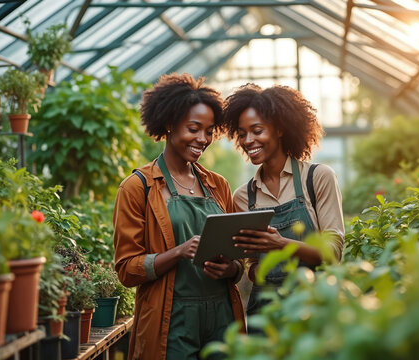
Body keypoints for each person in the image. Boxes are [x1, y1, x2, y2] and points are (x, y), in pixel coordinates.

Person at [113, 73, 245, 360]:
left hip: (222, 316)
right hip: (171, 319)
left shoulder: (217, 185)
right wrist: (177, 253)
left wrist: (232, 269)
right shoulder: (139, 187)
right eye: (194, 128)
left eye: (209, 131)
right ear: (170, 125)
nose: (203, 139)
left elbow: (238, 259)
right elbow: (126, 268)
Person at [222, 83, 344, 320]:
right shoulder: (243, 196)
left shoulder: (317, 178)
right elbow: (253, 265)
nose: (248, 140)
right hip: (266, 311)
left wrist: (280, 244)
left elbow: (333, 253)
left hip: (314, 306)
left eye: (257, 130)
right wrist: (254, 268)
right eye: (242, 133)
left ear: (279, 129)